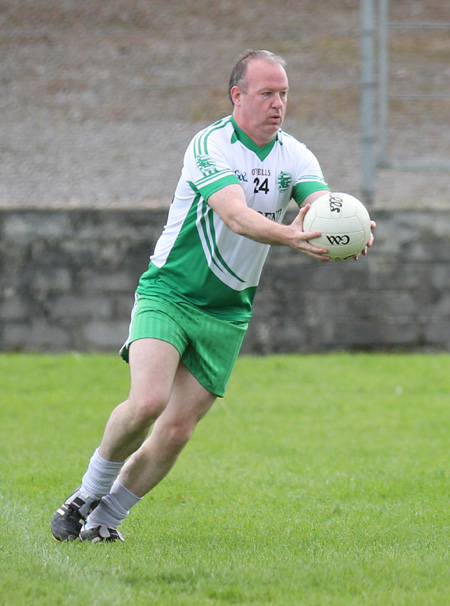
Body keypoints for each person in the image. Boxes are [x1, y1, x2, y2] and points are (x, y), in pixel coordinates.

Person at [51, 49, 375, 543]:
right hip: (170, 292)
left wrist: (347, 228)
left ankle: (105, 520)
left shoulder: (296, 155)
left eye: (284, 94)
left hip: (227, 310)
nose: (278, 104)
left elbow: (316, 206)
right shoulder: (210, 145)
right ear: (237, 96)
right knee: (147, 403)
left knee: (178, 432)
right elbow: (235, 215)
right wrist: (290, 236)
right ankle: (84, 495)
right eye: (267, 93)